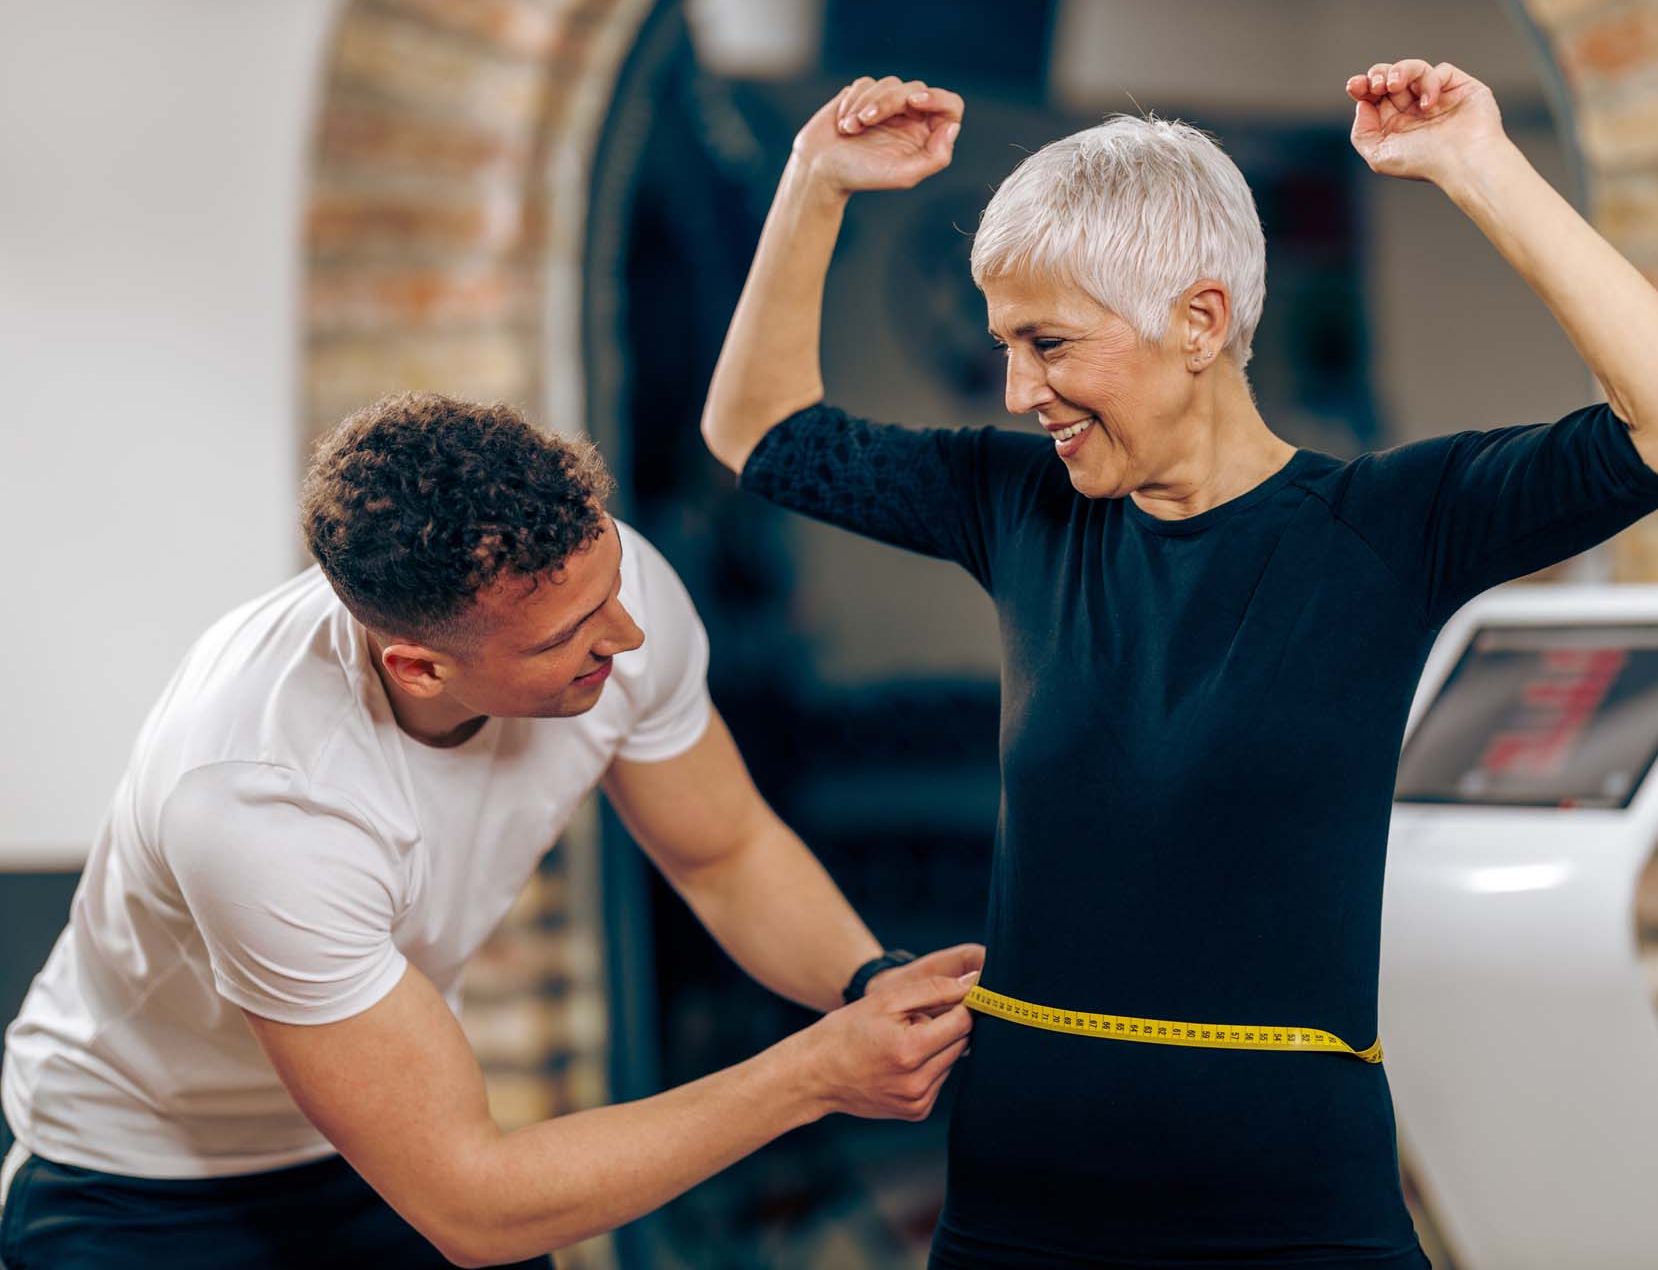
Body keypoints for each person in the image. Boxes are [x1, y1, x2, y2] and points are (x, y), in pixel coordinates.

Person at [700, 59, 1658, 1268]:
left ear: (1198, 322)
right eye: (1006, 344)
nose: (1017, 388)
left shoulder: (1386, 527)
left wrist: (1476, 165)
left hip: (1292, 1216)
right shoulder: (1019, 508)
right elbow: (758, 431)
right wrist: (813, 180)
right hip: (1018, 1205)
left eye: (1049, 342)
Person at [0, 392, 984, 1269]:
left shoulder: (599, 591)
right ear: (419, 667)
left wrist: (869, 983)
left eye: (613, 592)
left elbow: (720, 849)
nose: (628, 639)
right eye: (567, 637)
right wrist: (817, 1073)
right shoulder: (264, 800)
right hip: (144, 1181)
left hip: (383, 1143)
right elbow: (473, 1204)